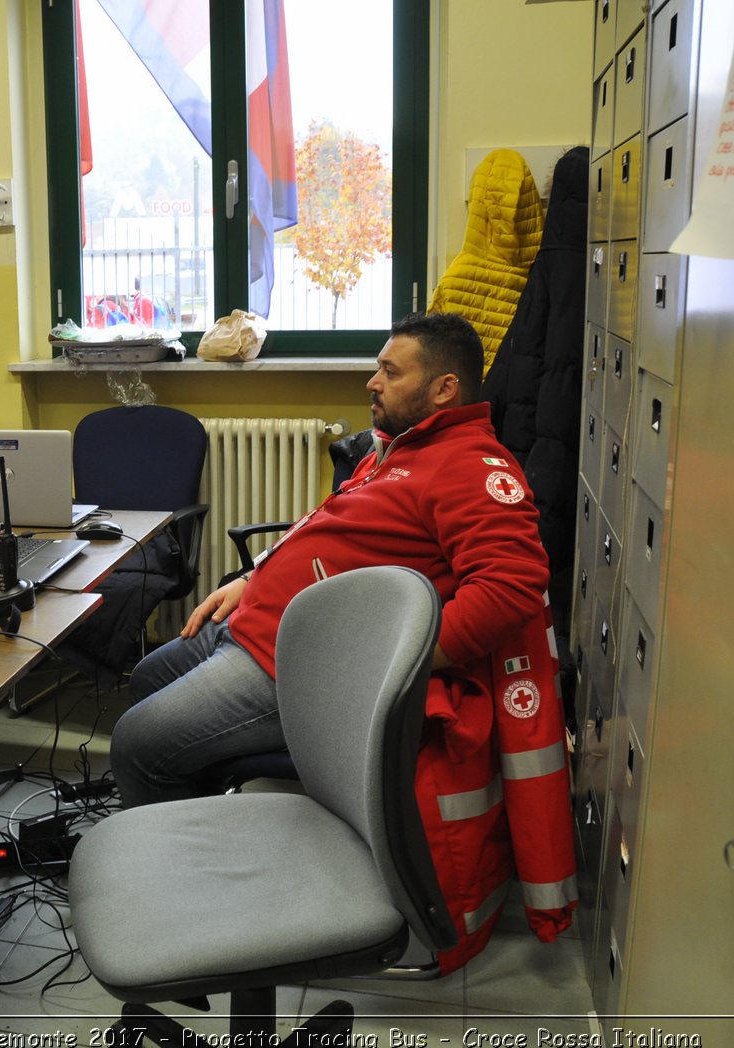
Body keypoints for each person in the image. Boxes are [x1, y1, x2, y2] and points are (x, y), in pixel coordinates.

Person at [110, 312, 551, 807]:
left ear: (444, 389)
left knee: (136, 745)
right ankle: (209, 819)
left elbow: (511, 589)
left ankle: (175, 868)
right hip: (257, 621)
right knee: (148, 677)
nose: (373, 382)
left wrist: (393, 663)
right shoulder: (401, 448)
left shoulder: (470, 467)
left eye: (390, 372)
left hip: (292, 662)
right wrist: (252, 578)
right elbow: (323, 529)